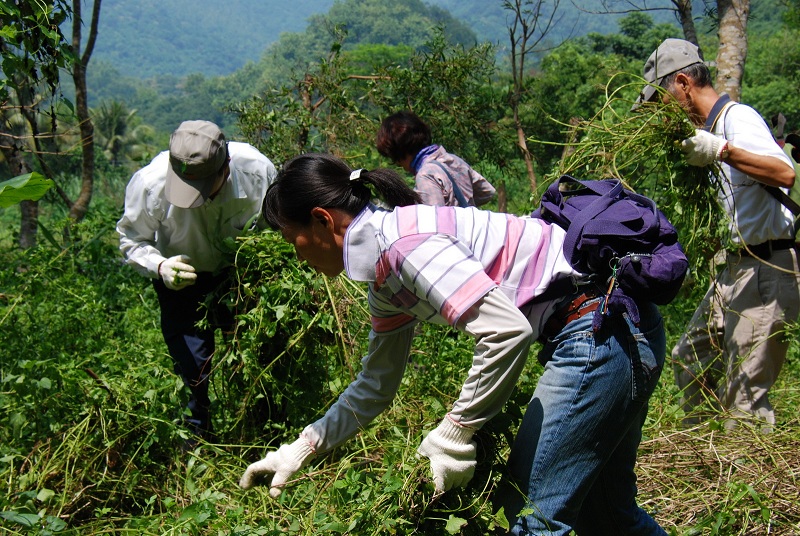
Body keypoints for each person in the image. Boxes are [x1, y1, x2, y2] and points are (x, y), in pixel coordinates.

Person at [239, 153, 668, 535]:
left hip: (601, 330)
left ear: (322, 219)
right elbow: (376, 384)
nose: (296, 255)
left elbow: (507, 332)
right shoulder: (386, 276)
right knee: (610, 517)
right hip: (618, 332)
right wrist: (299, 450)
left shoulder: (406, 246)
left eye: (289, 238)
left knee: (524, 518)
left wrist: (453, 435)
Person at [637, 38, 800, 431]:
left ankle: (742, 469)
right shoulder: (706, 134)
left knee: (744, 396)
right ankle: (706, 449)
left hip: (768, 269)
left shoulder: (736, 120)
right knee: (687, 361)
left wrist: (722, 150)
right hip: (733, 270)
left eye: (661, 99)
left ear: (682, 83)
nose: (662, 111)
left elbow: (785, 174)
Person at [117, 120, 277, 442]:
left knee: (261, 357)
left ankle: (267, 432)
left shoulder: (259, 173)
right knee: (193, 371)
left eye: (205, 189)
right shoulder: (150, 184)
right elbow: (131, 240)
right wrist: (161, 266)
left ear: (226, 167)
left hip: (240, 276)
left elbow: (276, 226)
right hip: (181, 284)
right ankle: (197, 447)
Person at [376, 110, 496, 207]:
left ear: (401, 151)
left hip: (454, 236)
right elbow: (487, 192)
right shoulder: (453, 159)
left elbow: (435, 224)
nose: (399, 164)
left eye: (395, 158)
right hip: (470, 233)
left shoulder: (426, 175)